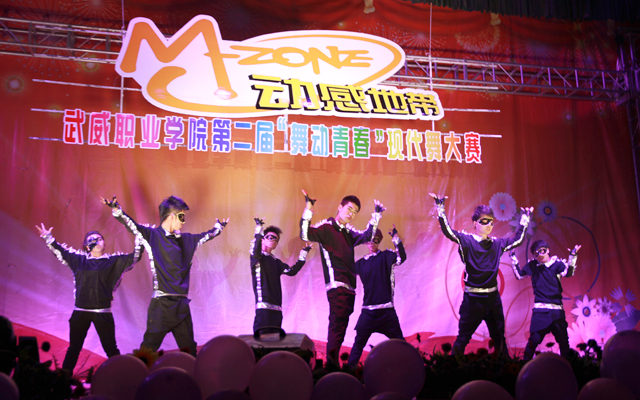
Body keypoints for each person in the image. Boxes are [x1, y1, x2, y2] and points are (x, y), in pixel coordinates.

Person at [102, 195, 228, 356]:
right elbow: (132, 226)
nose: (183, 221)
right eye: (182, 217)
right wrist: (117, 210)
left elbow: (206, 235)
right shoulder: (153, 236)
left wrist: (219, 227)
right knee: (147, 351)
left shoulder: (186, 240)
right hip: (162, 306)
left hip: (181, 306)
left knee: (190, 351)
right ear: (172, 216)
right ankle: (136, 372)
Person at [430, 193, 532, 357]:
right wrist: (440, 207)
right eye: (484, 221)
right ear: (475, 223)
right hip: (473, 300)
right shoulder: (467, 240)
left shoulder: (497, 244)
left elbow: (517, 240)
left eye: (491, 221)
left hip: (493, 299)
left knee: (499, 340)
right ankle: (451, 370)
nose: (489, 224)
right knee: (463, 339)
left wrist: (524, 220)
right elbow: (448, 231)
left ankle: (505, 371)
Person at [35, 223, 142, 373]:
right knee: (74, 348)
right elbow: (61, 252)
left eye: (99, 239)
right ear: (87, 246)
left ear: (104, 244)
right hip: (80, 312)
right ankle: (63, 380)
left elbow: (134, 257)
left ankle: (121, 378)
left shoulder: (113, 261)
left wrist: (139, 241)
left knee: (111, 349)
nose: (96, 241)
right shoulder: (79, 260)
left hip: (102, 313)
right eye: (92, 240)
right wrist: (48, 237)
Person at [300, 189, 385, 367]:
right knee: (337, 326)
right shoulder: (326, 228)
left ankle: (332, 363)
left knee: (341, 327)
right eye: (349, 209)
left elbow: (367, 236)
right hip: (336, 285)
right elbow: (305, 234)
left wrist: (376, 215)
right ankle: (331, 366)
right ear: (340, 207)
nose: (351, 214)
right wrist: (308, 209)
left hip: (350, 288)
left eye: (355, 212)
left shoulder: (348, 233)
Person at [347, 225, 407, 369]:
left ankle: (410, 369)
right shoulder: (360, 264)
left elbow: (401, 258)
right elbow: (346, 272)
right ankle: (348, 373)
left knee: (401, 344)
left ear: (379, 240)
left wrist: (396, 238)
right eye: (369, 240)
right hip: (368, 312)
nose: (372, 243)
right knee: (358, 345)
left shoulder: (386, 256)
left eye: (375, 240)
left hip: (386, 311)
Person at [509, 240, 580, 360]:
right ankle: (524, 365)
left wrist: (573, 256)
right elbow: (519, 275)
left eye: (543, 251)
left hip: (557, 311)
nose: (540, 255)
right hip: (541, 311)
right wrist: (513, 257)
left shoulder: (556, 264)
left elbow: (568, 273)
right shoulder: (533, 266)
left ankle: (568, 366)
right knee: (534, 340)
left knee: (563, 342)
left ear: (548, 250)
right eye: (537, 253)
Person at [250, 217, 313, 334]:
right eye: (270, 237)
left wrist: (303, 255)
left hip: (277, 308)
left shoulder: (276, 262)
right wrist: (259, 229)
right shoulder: (257, 258)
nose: (273, 240)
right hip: (264, 307)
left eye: (276, 239)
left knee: (275, 339)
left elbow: (292, 271)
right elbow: (256, 249)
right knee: (260, 340)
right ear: (263, 239)